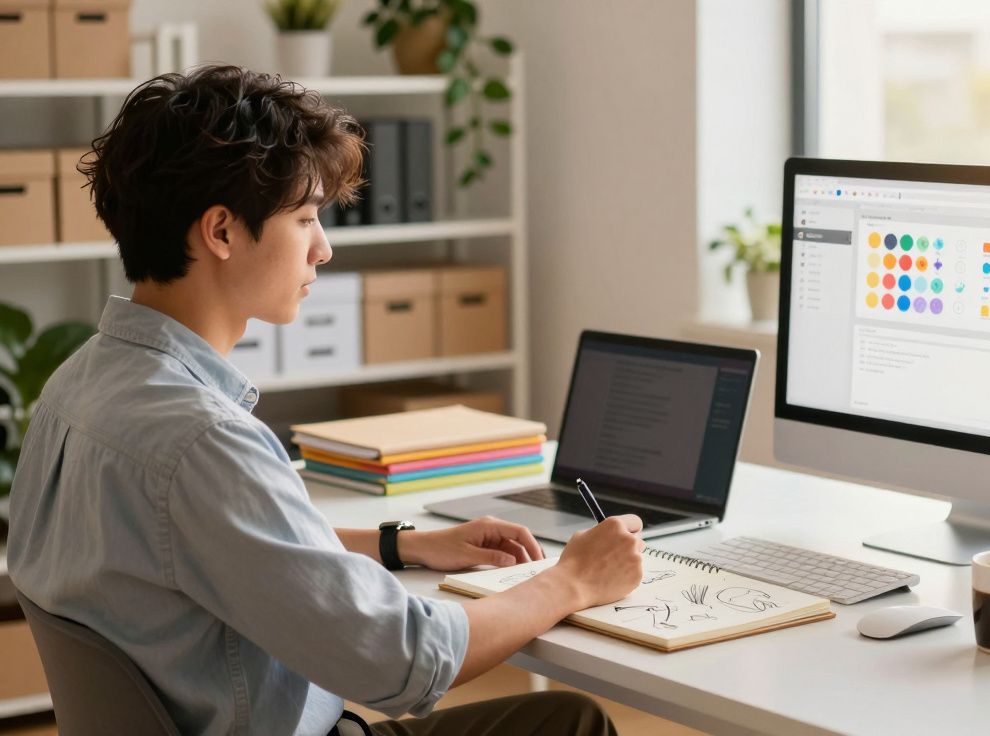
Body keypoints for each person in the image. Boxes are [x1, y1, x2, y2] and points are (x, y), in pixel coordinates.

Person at [6, 64, 646, 736]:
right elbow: (402, 662)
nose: (325, 249)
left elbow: (205, 550)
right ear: (221, 231)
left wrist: (403, 546)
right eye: (307, 217)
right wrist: (573, 580)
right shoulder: (202, 440)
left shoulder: (76, 386)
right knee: (570, 723)